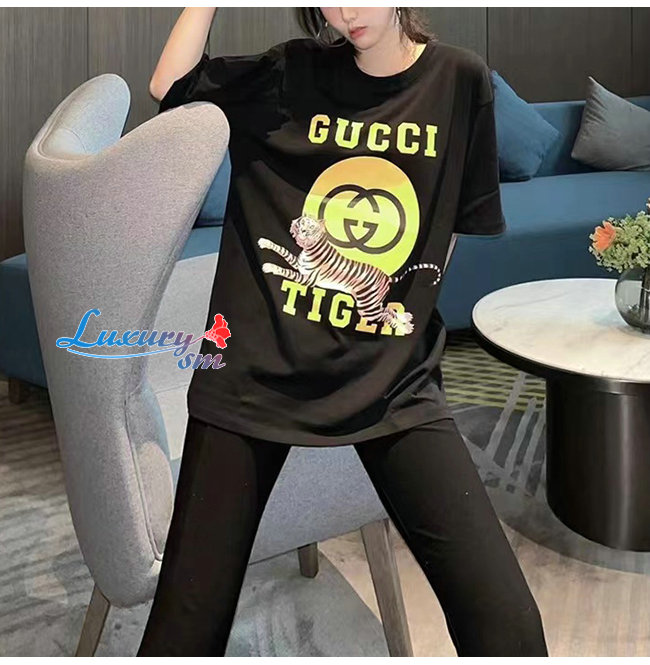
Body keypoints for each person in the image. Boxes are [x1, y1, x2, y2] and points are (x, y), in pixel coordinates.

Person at [139, 7, 549, 656]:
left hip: (392, 385)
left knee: (509, 627)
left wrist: (393, 321)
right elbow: (171, 86)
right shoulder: (288, 74)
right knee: (183, 634)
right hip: (252, 380)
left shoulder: (460, 81)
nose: (345, 11)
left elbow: (448, 229)